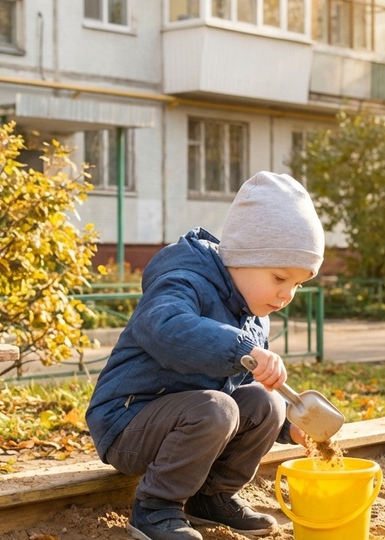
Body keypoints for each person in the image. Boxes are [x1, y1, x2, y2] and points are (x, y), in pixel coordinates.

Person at [85, 171, 325, 540]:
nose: (287, 294)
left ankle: (212, 498)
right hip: (127, 423)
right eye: (279, 278)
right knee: (216, 407)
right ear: (242, 256)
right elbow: (164, 326)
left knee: (268, 403)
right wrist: (245, 351)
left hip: (190, 425)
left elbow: (242, 388)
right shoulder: (184, 279)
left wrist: (287, 429)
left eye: (297, 284)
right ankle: (155, 508)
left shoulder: (252, 316)